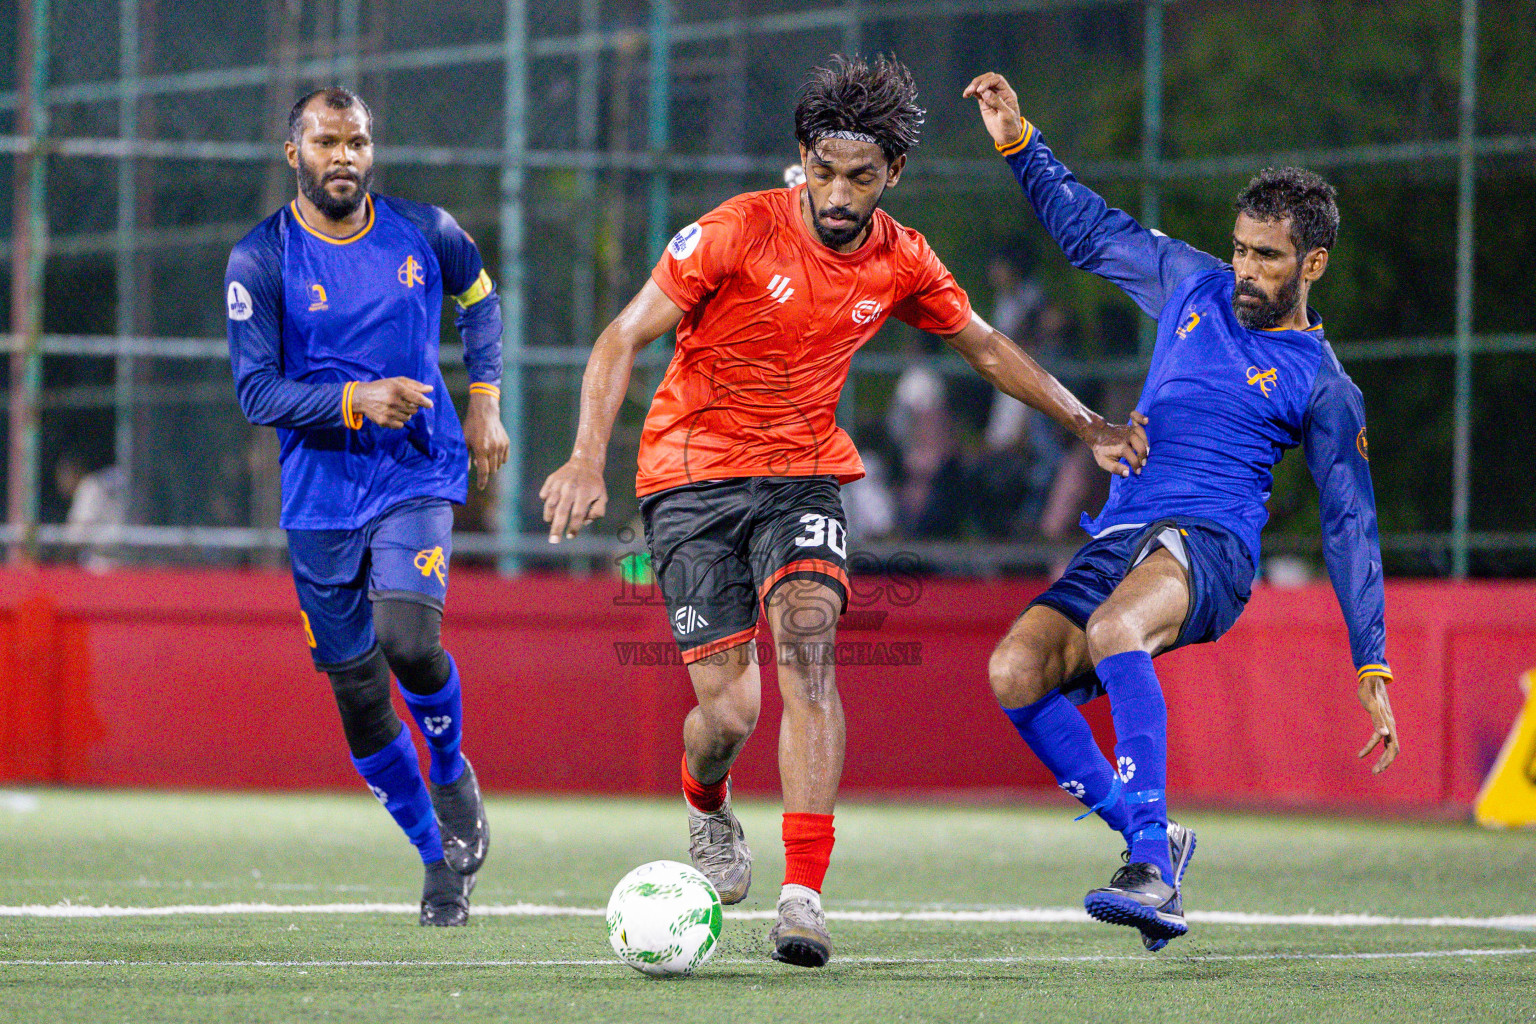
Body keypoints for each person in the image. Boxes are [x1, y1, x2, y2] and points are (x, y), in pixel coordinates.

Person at [540, 54, 1147, 968]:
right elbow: (621, 335)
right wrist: (586, 457)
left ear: (891, 175)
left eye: (859, 176)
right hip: (689, 479)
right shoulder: (737, 229)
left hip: (802, 478)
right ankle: (707, 806)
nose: (835, 191)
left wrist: (1085, 421)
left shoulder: (903, 259)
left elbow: (982, 346)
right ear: (803, 158)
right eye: (822, 170)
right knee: (730, 716)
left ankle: (803, 895)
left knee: (812, 654)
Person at [963, 72, 1399, 950]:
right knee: (1013, 671)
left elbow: (1350, 526)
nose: (1245, 267)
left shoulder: (1324, 385)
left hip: (1212, 548)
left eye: (1268, 257)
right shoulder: (1190, 284)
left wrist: (1372, 664)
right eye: (1240, 248)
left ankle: (1153, 869)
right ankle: (1151, 836)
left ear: (1311, 264)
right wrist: (1019, 143)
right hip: (1124, 532)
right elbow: (1089, 231)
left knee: (1117, 630)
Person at [224, 87, 507, 926]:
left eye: (356, 143)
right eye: (326, 143)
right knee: (356, 690)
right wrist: (354, 399)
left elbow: (480, 297)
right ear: (293, 156)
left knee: (409, 642)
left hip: (416, 470)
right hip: (319, 495)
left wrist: (485, 399)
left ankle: (452, 773)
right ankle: (437, 864)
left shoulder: (426, 229)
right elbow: (255, 391)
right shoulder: (260, 259)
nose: (343, 158)